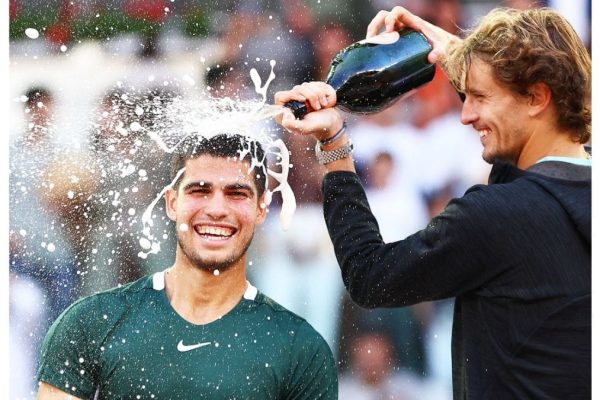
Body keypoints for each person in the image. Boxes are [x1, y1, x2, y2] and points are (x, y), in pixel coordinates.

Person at [275, 5, 591, 400]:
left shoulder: (496, 217)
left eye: (480, 96)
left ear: (537, 97)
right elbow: (518, 175)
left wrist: (334, 146)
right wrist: (459, 57)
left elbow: (370, 277)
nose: (465, 115)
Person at [36, 133, 338, 399]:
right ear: (172, 203)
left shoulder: (300, 347)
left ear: (262, 208)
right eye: (200, 191)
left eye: (236, 194)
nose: (216, 209)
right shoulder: (90, 322)